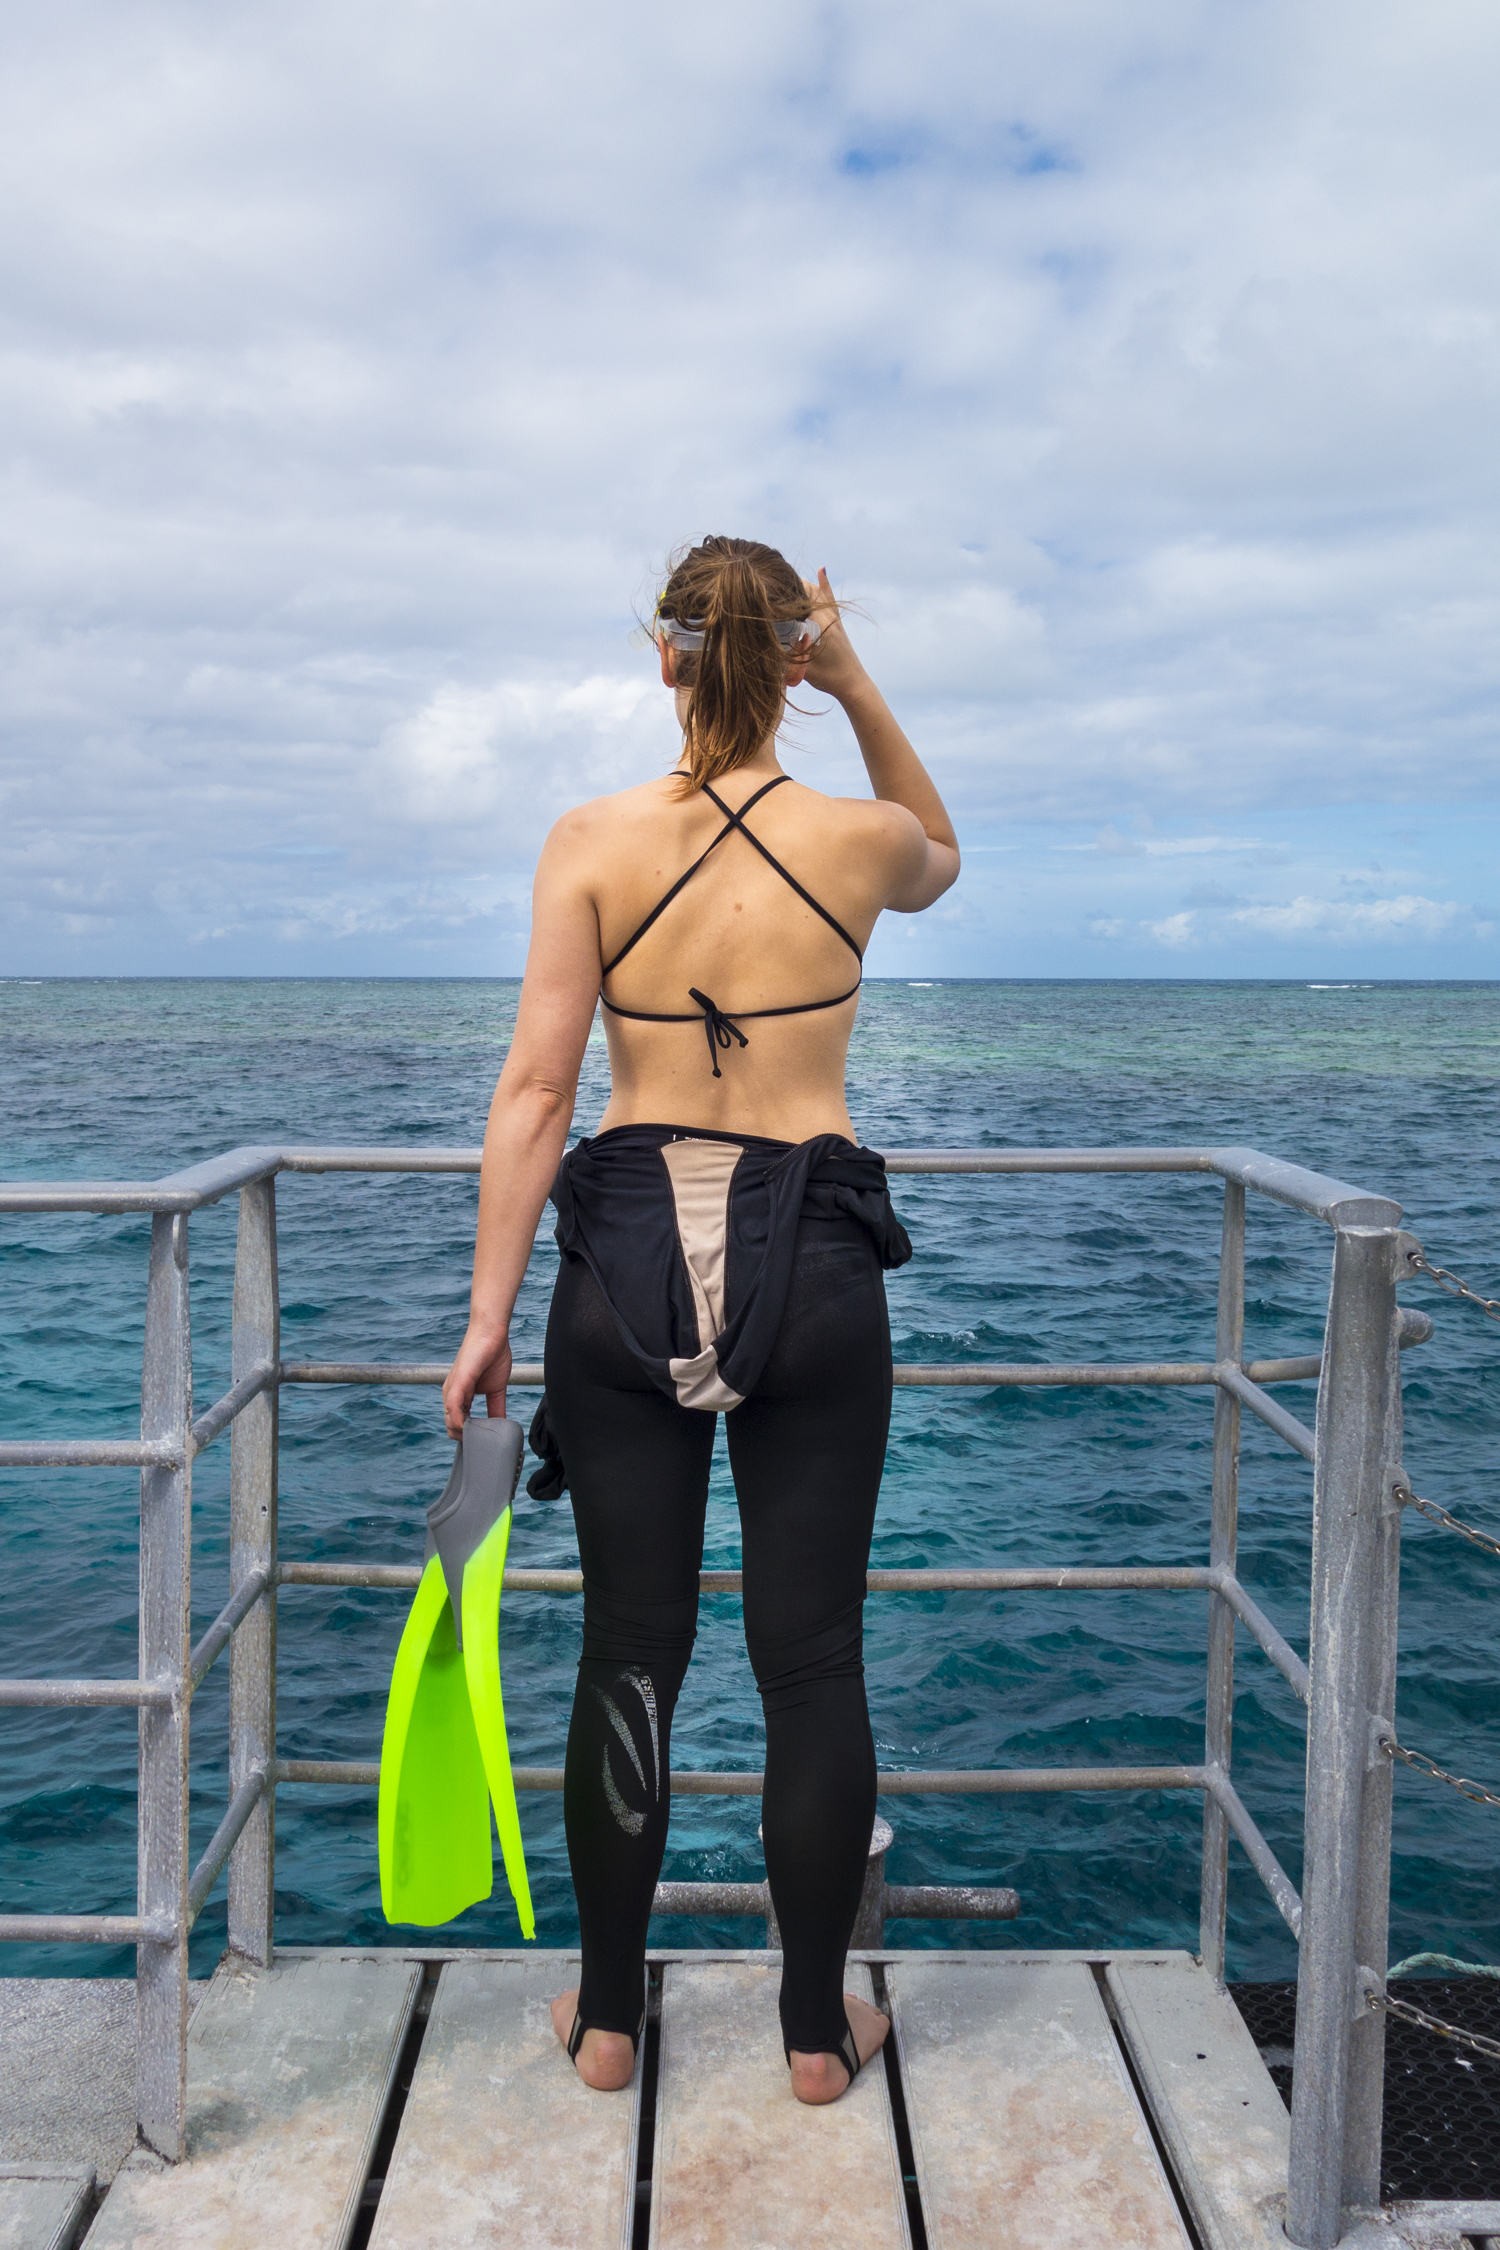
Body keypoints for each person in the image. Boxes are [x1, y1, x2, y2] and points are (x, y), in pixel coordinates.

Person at [442, 536, 960, 2104]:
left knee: (629, 1660)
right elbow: (941, 844)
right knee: (810, 1662)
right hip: (811, 1261)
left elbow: (537, 1090)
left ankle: (608, 2021)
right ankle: (816, 2037)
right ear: (789, 662)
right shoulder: (859, 843)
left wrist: (486, 1313)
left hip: (620, 1262)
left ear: (661, 656)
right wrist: (855, 677)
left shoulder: (591, 839)